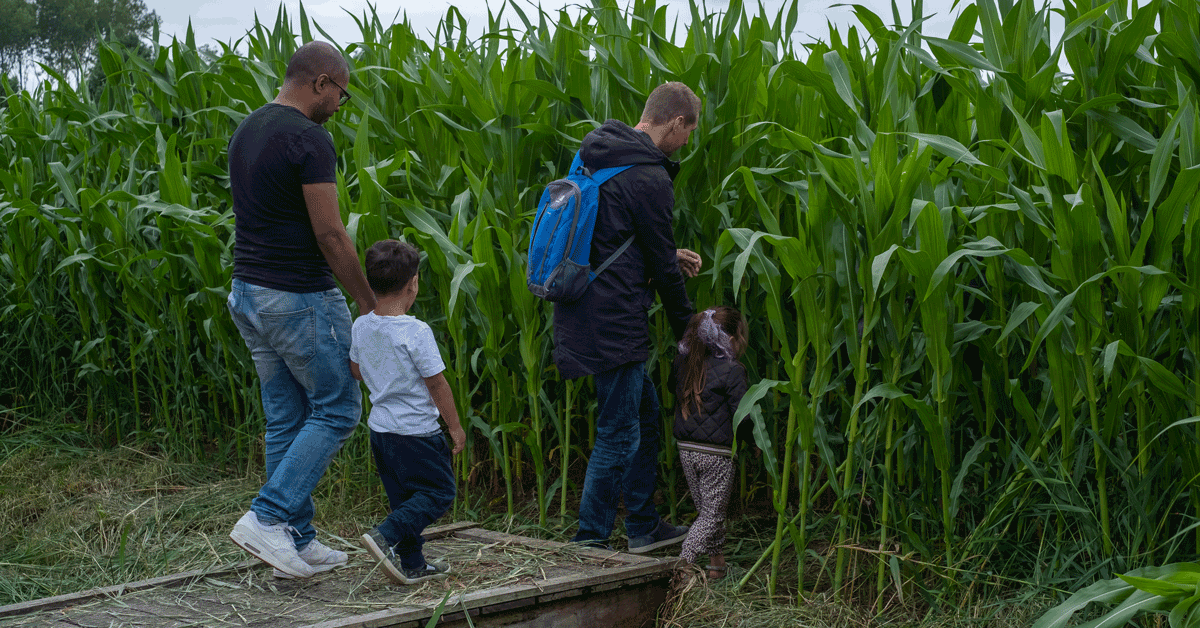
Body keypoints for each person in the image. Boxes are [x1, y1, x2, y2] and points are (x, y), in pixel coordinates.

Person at [226, 41, 376, 580]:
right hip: (297, 297)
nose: (341, 102)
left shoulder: (248, 128)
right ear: (320, 82)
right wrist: (367, 302)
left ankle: (294, 535)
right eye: (342, 91)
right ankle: (267, 517)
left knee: (287, 416)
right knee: (337, 408)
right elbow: (331, 234)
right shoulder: (311, 139)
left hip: (248, 292)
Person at [553, 82, 704, 552]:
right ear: (676, 122)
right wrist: (691, 335)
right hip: (614, 322)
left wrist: (663, 253)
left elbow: (606, 234)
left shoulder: (595, 155)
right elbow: (662, 271)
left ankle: (641, 525)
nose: (687, 143)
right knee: (619, 432)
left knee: (644, 415)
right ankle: (590, 539)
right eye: (688, 133)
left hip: (583, 308)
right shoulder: (648, 176)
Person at [350, 239, 467, 585]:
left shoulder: (361, 326)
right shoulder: (416, 331)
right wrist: (456, 427)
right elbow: (437, 385)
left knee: (404, 499)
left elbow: (356, 370)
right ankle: (384, 535)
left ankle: (414, 563)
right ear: (413, 283)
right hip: (417, 433)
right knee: (439, 492)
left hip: (382, 433)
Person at [669, 307, 749, 580]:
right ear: (730, 338)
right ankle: (681, 567)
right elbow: (743, 415)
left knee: (707, 511)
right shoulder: (733, 371)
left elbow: (673, 389)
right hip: (717, 454)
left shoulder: (684, 363)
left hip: (686, 449)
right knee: (712, 516)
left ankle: (716, 566)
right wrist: (754, 442)